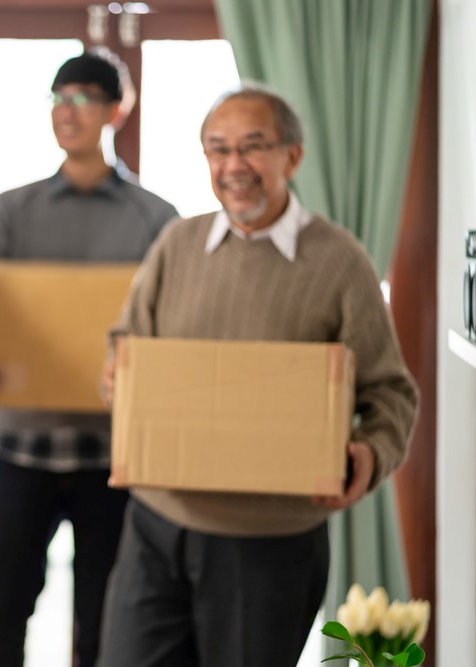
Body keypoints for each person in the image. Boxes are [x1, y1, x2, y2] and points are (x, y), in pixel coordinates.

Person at [96, 85, 419, 667]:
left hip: (271, 540)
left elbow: (390, 391)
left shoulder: (340, 260)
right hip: (156, 522)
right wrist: (122, 377)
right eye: (218, 150)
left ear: (291, 157)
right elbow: (126, 344)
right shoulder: (178, 243)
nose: (234, 166)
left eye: (253, 147)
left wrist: (368, 456)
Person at [0, 50, 179, 667]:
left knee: (106, 621)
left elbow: (173, 329)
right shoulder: (12, 210)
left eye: (82, 98)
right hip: (23, 449)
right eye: (58, 98)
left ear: (116, 110)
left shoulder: (157, 219)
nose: (67, 111)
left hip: (114, 458)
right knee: (0, 611)